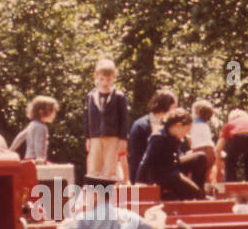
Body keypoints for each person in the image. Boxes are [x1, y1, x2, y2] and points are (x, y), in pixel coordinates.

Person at [137, 109, 205, 200]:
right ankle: (196, 194)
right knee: (195, 192)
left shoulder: (176, 136)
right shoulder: (158, 137)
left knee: (200, 157)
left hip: (174, 168)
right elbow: (146, 160)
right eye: (187, 130)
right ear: (179, 126)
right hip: (164, 175)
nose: (187, 134)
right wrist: (139, 182)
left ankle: (200, 189)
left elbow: (179, 157)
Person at [83, 58, 129, 186]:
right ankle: (93, 195)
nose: (105, 83)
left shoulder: (119, 96)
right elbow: (87, 118)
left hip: (112, 136)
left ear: (114, 78)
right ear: (95, 76)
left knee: (110, 167)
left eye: (108, 79)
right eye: (102, 79)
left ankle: (109, 195)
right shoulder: (91, 96)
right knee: (93, 166)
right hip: (95, 136)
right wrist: (88, 137)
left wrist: (123, 139)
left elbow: (124, 119)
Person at [126, 88, 178, 183]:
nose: (175, 111)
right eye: (174, 107)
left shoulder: (169, 126)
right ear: (165, 106)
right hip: (144, 178)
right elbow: (135, 156)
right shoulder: (140, 126)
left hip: (164, 173)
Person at [9, 96, 59, 162]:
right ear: (41, 112)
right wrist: (40, 158)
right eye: (52, 111)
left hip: (28, 159)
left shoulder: (33, 124)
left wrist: (10, 150)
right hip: (36, 160)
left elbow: (21, 137)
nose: (54, 115)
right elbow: (38, 142)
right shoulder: (40, 127)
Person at [189, 100, 219, 184]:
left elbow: (190, 140)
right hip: (210, 150)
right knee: (209, 176)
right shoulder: (206, 124)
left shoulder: (192, 122)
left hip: (200, 151)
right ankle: (214, 191)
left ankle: (194, 194)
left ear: (197, 112)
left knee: (193, 176)